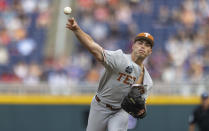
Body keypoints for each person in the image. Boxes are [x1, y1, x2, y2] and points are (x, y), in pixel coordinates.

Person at [66, 17, 154, 131]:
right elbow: (94, 48)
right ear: (133, 46)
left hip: (120, 111)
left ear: (150, 51)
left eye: (147, 45)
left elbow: (140, 104)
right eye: (140, 43)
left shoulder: (147, 81)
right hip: (100, 105)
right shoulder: (119, 58)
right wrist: (77, 30)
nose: (143, 46)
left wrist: (142, 110)